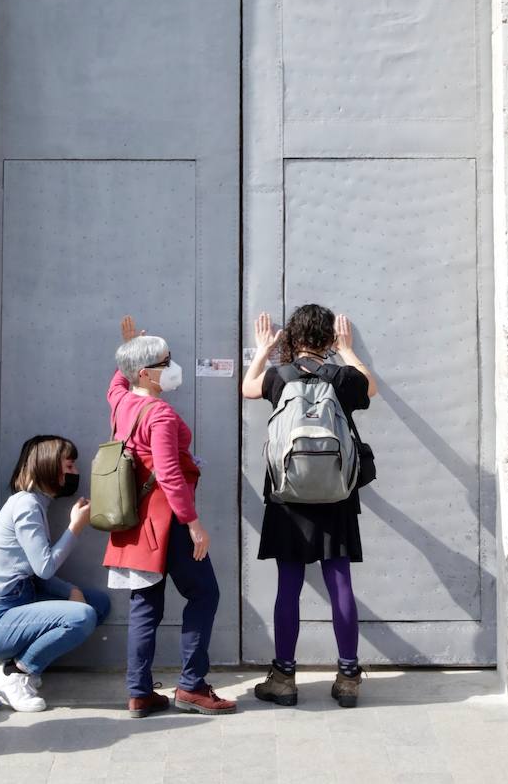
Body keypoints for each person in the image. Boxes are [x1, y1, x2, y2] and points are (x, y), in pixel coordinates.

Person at [242, 304, 377, 709]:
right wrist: (349, 350)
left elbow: (247, 388)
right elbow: (370, 387)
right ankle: (349, 677)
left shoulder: (279, 377)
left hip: (288, 497)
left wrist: (264, 349)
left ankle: (284, 677)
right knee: (340, 583)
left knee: (289, 586)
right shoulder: (341, 378)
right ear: (328, 340)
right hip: (335, 494)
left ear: (294, 338)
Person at [105, 316, 236, 718]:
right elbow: (169, 475)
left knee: (145, 604)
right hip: (169, 522)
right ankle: (192, 687)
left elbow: (114, 385)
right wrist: (194, 525)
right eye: (166, 361)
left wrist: (126, 352)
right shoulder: (159, 415)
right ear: (145, 373)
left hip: (134, 523)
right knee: (204, 594)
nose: (172, 366)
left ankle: (138, 693)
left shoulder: (123, 402)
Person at [0, 435, 110, 712]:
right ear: (48, 466)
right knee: (83, 616)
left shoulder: (36, 503)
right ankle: (15, 674)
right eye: (69, 466)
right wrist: (75, 527)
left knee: (98, 604)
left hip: (21, 599)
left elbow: (36, 575)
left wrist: (69, 591)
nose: (76, 473)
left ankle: (25, 666)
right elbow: (44, 566)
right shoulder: (26, 505)